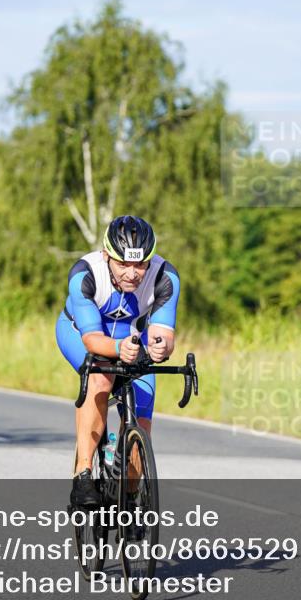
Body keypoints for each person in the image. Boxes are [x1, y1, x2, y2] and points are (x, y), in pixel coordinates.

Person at [55, 215, 179, 509]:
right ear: (106, 255)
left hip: (134, 338)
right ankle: (83, 475)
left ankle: (131, 497)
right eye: (123, 264)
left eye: (140, 264)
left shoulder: (165, 277)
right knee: (100, 376)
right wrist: (117, 349)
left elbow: (163, 332)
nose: (133, 274)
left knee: (142, 420)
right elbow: (92, 340)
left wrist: (161, 348)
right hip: (81, 333)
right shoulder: (85, 273)